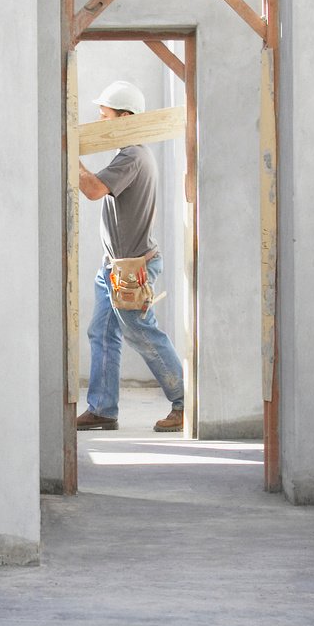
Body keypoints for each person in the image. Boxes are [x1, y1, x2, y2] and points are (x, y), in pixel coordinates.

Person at [75, 80, 187, 433]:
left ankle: (186, 403)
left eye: (105, 114)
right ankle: (103, 409)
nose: (99, 120)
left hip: (132, 269)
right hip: (115, 268)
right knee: (102, 333)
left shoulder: (133, 156)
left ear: (124, 117)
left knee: (141, 333)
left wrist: (70, 158)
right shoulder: (131, 155)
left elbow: (92, 190)